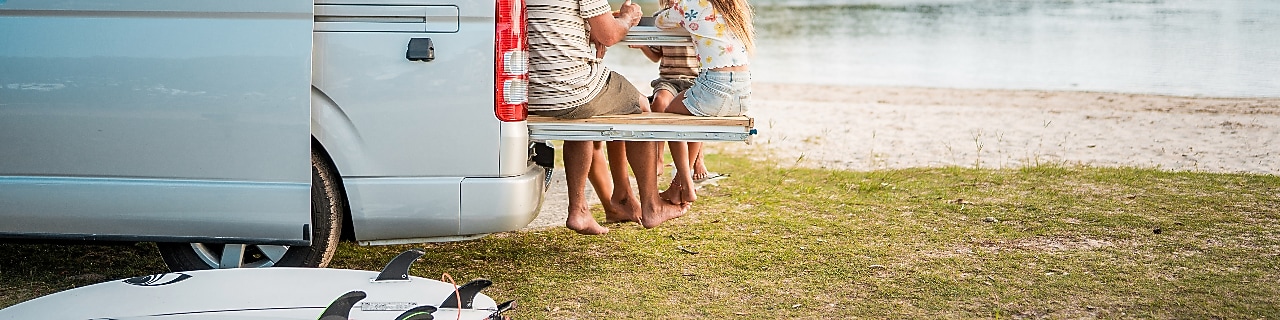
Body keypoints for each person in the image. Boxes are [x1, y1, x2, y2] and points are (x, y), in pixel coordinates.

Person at [528, 0, 689, 234]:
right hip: (570, 89)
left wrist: (595, 23)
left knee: (584, 116)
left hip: (529, 92)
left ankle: (582, 209)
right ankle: (651, 205)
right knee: (641, 106)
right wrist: (628, 18)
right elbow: (610, 35)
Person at [651, 0, 754, 205]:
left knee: (669, 116)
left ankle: (684, 185)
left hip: (715, 89)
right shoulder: (735, 7)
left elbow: (659, 22)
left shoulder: (689, 6)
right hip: (744, 95)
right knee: (689, 113)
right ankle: (680, 184)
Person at [630, 33, 719, 204]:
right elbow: (656, 56)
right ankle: (658, 158)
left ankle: (697, 160)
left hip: (694, 79)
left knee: (695, 113)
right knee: (660, 102)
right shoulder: (661, 21)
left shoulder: (694, 17)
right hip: (668, 80)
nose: (674, 3)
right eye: (669, 2)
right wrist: (643, 46)